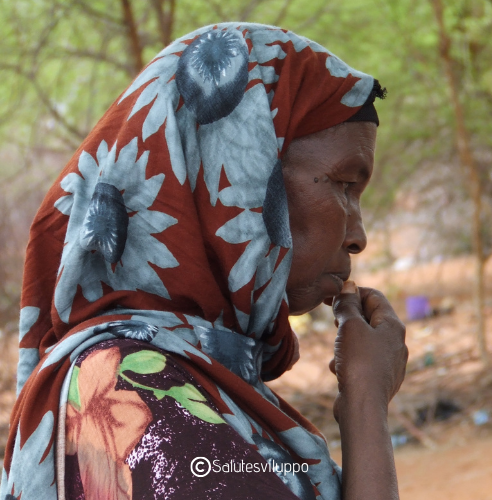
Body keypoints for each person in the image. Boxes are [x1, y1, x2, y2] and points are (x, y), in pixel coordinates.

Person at [1, 22, 407, 500]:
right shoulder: (128, 386)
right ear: (244, 175)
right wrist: (365, 406)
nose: (358, 237)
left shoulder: (201, 375)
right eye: (344, 185)